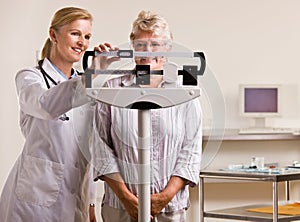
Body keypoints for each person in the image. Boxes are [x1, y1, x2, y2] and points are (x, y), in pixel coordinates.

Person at [91, 10, 202, 222]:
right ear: (133, 47)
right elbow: (100, 148)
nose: (147, 52)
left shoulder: (184, 92)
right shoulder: (113, 88)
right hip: (120, 208)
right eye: (141, 45)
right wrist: (127, 199)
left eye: (155, 45)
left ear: (168, 49)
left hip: (170, 208)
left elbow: (191, 151)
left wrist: (164, 198)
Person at [0, 7, 97, 222]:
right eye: (75, 33)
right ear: (53, 35)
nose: (83, 42)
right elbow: (46, 105)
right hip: (33, 200)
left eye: (87, 36)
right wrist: (91, 77)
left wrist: (91, 199)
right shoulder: (30, 78)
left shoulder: (86, 85)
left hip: (77, 194)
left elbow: (88, 148)